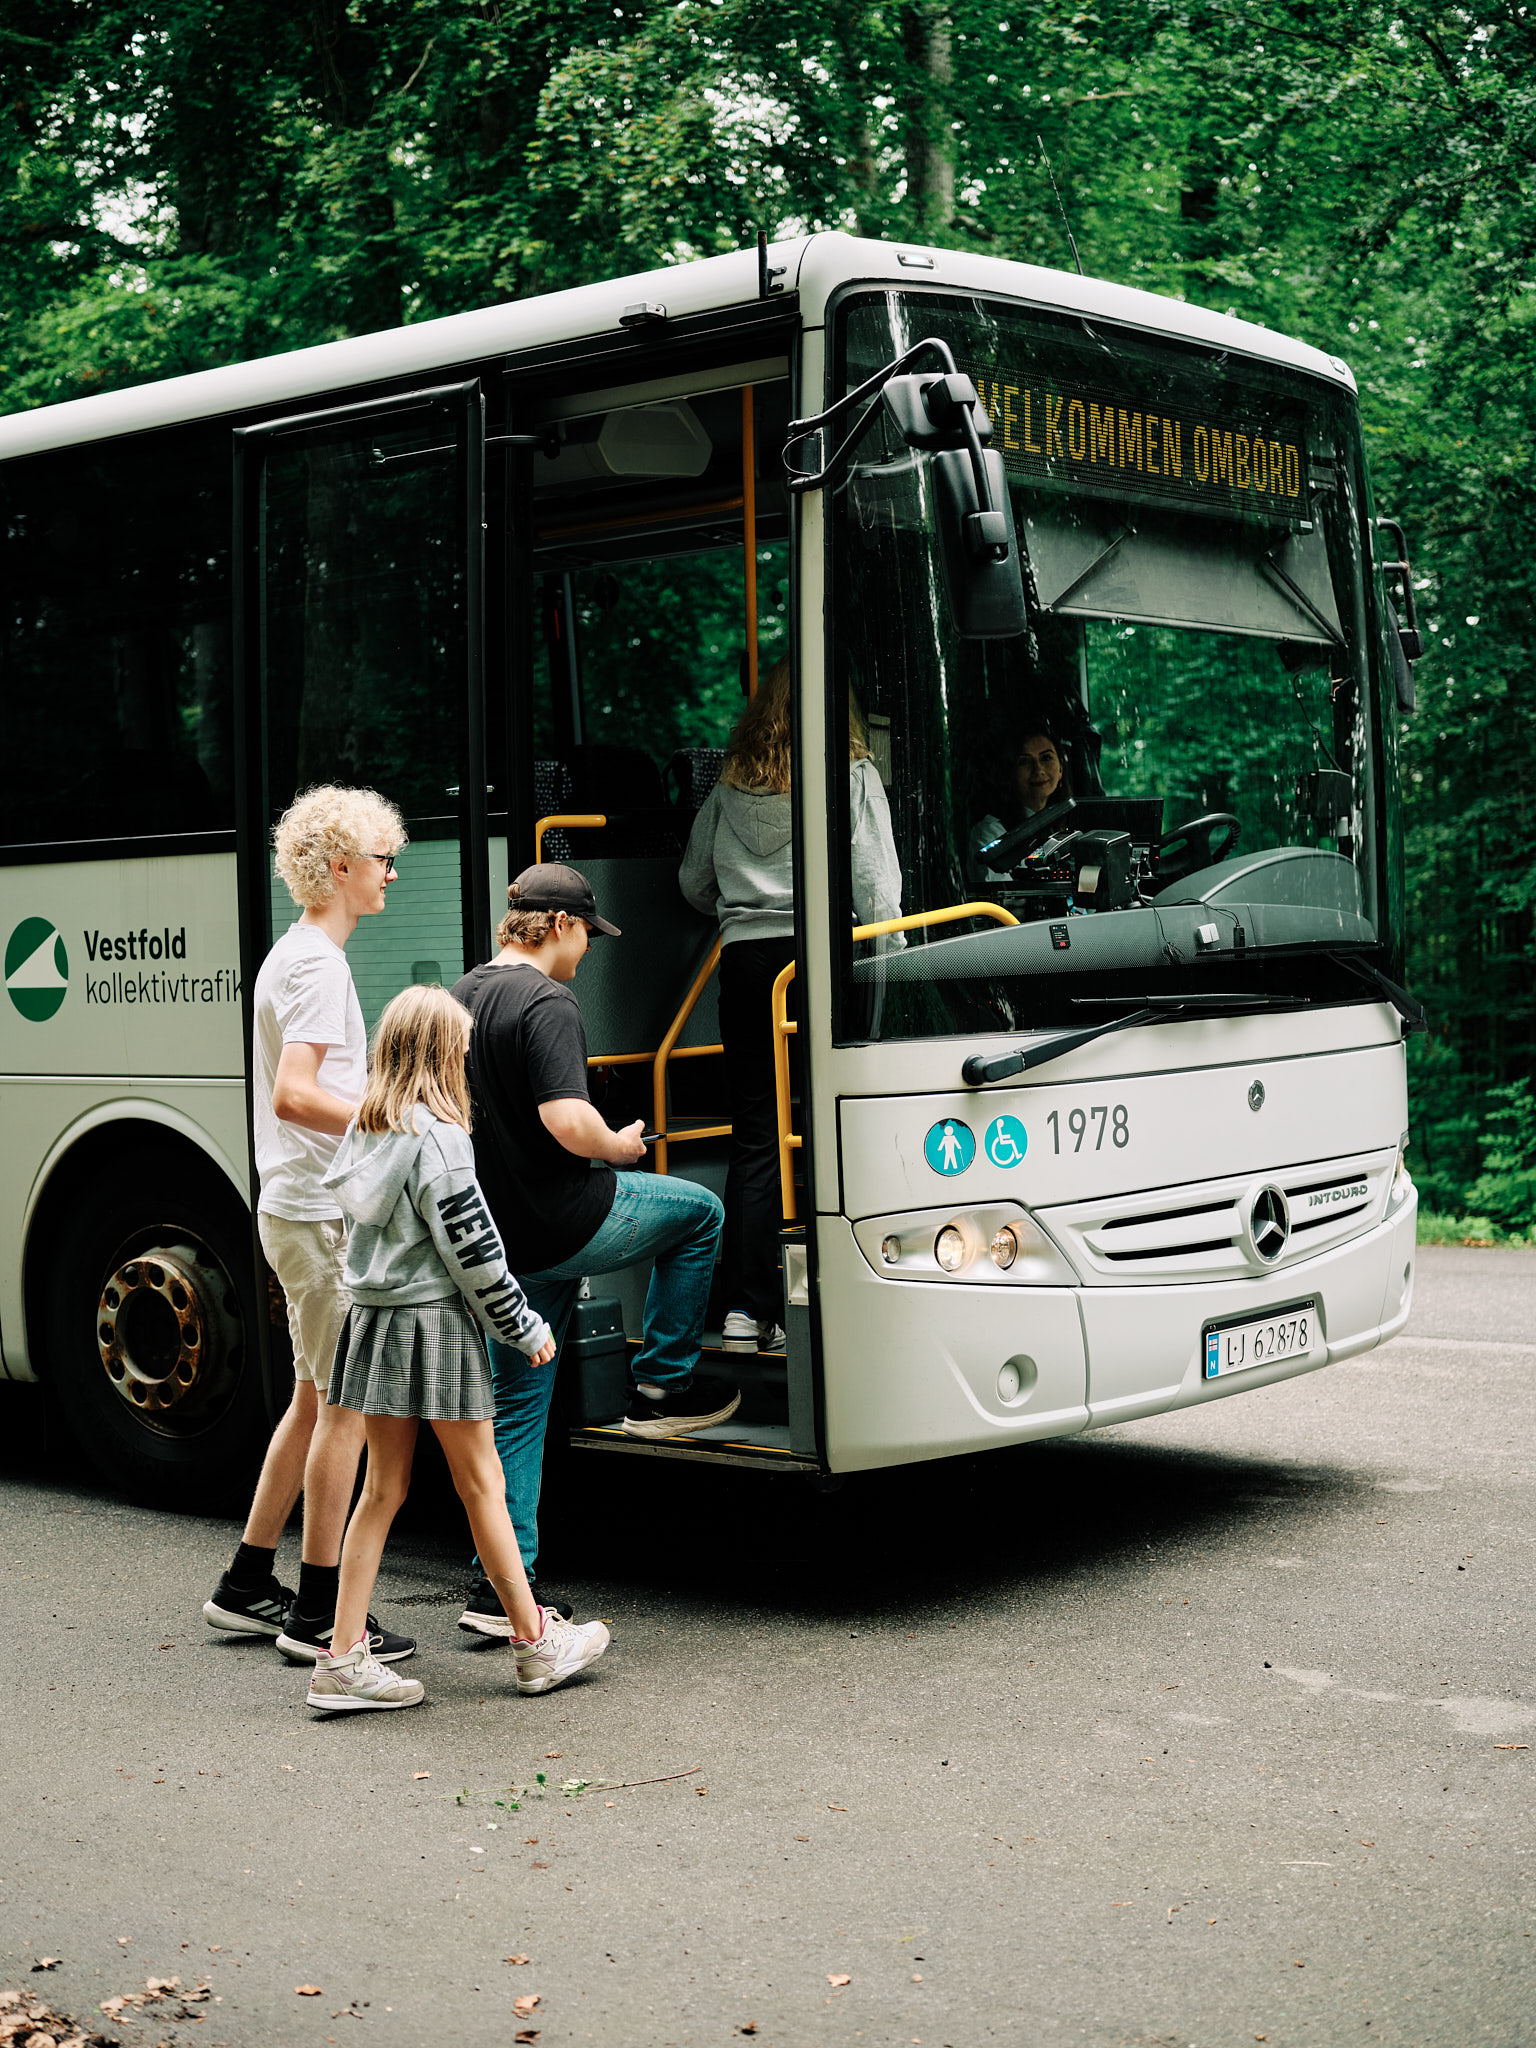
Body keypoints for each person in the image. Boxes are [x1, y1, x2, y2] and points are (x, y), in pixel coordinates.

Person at [306, 985, 609, 1712]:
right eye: (462, 1051)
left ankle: (341, 1657)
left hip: (374, 1321)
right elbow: (474, 1252)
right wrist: (524, 1326)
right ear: (442, 1054)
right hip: (435, 1326)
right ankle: (536, 1642)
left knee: (382, 1491)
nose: (467, 1063)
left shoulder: (368, 1129)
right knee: (483, 1484)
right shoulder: (440, 1139)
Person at [450, 863, 732, 1636]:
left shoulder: (461, 995)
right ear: (561, 925)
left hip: (502, 1244)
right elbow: (567, 1121)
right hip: (567, 1219)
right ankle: (661, 1388)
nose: (587, 950)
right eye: (587, 935)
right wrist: (620, 1145)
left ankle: (499, 1590)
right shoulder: (546, 1001)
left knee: (517, 1408)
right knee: (700, 1216)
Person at [202, 784, 415, 1664]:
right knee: (344, 1410)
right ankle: (322, 1615)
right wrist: (390, 1118)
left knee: (311, 1398)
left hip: (294, 1207)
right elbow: (296, 1094)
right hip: (321, 1214)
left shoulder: (292, 954)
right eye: (382, 860)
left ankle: (248, 1584)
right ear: (339, 867)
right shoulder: (319, 967)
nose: (391, 874)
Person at [679, 657, 903, 1353]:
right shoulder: (852, 776)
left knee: (757, 1134)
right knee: (833, 1124)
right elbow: (877, 889)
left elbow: (692, 882)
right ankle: (842, 1296)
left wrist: (744, 902)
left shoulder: (728, 785)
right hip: (820, 958)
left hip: (746, 963)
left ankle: (745, 1312)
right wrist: (896, 968)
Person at [968, 727, 1074, 883]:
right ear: (1009, 773)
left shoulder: (1070, 826)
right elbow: (1002, 894)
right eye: (1024, 761)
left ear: (1060, 771)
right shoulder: (990, 833)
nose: (1038, 769)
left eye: (1046, 758)